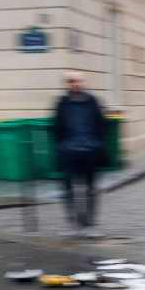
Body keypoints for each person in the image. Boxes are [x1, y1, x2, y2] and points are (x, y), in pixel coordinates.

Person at [52, 72, 109, 238]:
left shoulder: (93, 101)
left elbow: (102, 125)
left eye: (78, 81)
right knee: (69, 190)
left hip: (89, 152)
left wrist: (96, 144)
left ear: (84, 82)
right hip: (69, 153)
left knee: (90, 190)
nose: (75, 84)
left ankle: (89, 225)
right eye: (71, 81)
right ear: (67, 84)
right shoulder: (61, 103)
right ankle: (72, 224)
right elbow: (56, 128)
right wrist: (63, 147)